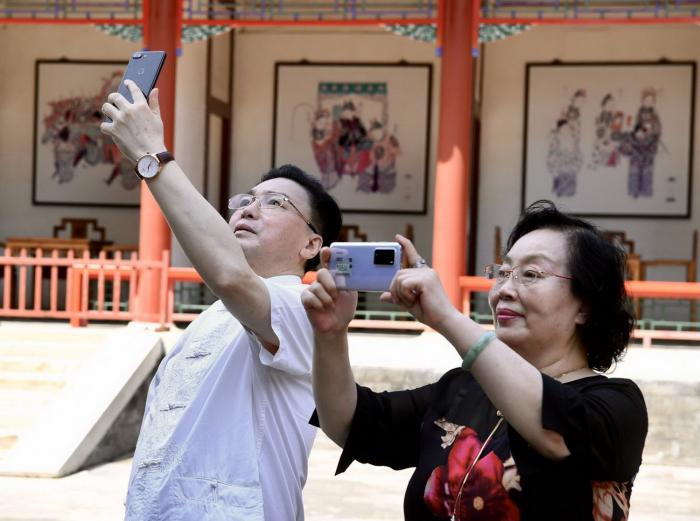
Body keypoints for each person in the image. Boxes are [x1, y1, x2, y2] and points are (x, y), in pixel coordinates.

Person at [302, 201, 647, 521]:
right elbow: (350, 423)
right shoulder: (462, 388)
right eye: (503, 272)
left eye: (531, 274)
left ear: (586, 305)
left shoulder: (617, 404)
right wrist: (330, 335)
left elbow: (557, 433)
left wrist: (447, 318)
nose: (504, 290)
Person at [100, 80, 342, 520]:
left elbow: (229, 276)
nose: (248, 208)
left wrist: (152, 157)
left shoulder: (304, 308)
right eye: (246, 199)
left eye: (275, 202)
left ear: (311, 245)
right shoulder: (215, 317)